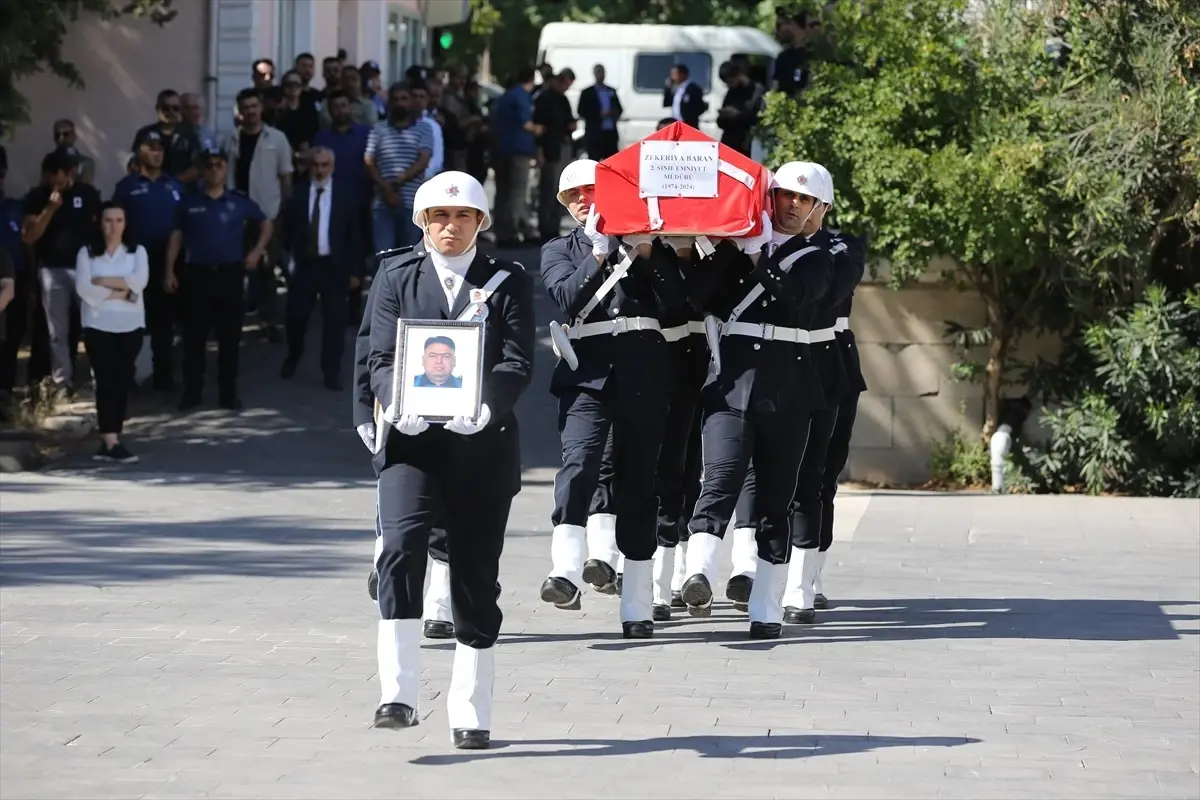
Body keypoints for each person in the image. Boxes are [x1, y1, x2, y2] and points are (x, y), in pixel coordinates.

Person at [363, 171, 534, 748]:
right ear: (423, 222)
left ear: (481, 223)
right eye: (439, 216)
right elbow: (380, 353)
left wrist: (486, 406)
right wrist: (392, 400)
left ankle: (470, 707)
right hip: (412, 444)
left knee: (475, 576)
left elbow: (516, 360)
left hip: (481, 446)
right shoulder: (395, 273)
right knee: (399, 550)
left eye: (462, 217)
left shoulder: (507, 279)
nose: (450, 226)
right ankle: (399, 693)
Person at [678, 162, 834, 640]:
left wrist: (757, 259)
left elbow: (799, 299)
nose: (790, 205)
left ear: (817, 209)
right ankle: (696, 573)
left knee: (775, 498)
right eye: (783, 195)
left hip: (788, 387)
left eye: (802, 200)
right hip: (732, 382)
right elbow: (694, 297)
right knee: (720, 478)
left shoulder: (820, 254)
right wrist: (711, 247)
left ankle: (766, 605)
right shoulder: (737, 246)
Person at [538, 159, 685, 639]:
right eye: (573, 196)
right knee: (578, 463)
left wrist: (647, 254)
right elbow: (565, 299)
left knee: (640, 484)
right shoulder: (560, 249)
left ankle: (638, 600)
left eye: (591, 190)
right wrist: (597, 255)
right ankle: (564, 570)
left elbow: (678, 302)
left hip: (644, 370)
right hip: (588, 372)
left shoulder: (647, 242)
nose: (583, 200)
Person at [165, 148, 271, 411]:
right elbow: (176, 237)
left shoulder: (238, 201)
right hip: (196, 276)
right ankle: (192, 392)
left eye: (219, 165)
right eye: (209, 165)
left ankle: (228, 393)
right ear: (202, 169)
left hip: (229, 276)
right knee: (194, 338)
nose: (214, 169)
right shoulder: (188, 202)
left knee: (229, 338)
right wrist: (168, 270)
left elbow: (266, 223)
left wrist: (257, 251)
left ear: (225, 169)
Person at [279, 146, 362, 390]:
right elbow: (288, 231)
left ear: (332, 167)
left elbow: (354, 236)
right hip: (305, 265)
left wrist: (356, 271)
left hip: (333, 267)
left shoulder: (345, 195)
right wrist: (288, 261)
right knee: (295, 317)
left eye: (324, 165)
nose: (319, 169)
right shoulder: (299, 194)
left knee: (335, 322)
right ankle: (294, 355)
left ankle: (331, 372)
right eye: (315, 165)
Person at [21, 150, 102, 395]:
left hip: (85, 268)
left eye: (61, 178)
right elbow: (30, 236)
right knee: (57, 332)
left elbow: (102, 228)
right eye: (51, 178)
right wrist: (50, 209)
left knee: (94, 328)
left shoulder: (87, 194)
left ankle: (100, 379)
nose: (56, 183)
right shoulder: (37, 197)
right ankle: (61, 383)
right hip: (52, 271)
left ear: (71, 174)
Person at [74, 202, 149, 463]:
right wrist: (123, 291)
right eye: (108, 220)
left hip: (130, 325)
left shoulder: (136, 251)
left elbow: (139, 282)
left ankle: (112, 434)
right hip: (98, 325)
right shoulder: (87, 253)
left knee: (123, 380)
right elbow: (84, 288)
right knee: (105, 381)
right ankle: (111, 439)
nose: (113, 226)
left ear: (126, 223)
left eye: (118, 220)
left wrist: (103, 282)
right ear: (100, 222)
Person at [112, 130, 185, 391]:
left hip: (167, 264)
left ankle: (163, 376)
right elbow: (113, 227)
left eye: (160, 148)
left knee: (164, 323)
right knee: (130, 324)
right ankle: (126, 377)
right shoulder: (126, 187)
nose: (156, 153)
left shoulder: (174, 186)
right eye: (150, 147)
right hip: (133, 263)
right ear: (139, 151)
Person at [576, 65, 622, 160]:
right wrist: (598, 114)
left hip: (610, 133)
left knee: (611, 161)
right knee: (594, 160)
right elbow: (581, 111)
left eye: (602, 72)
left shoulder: (611, 91)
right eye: (598, 72)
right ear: (594, 74)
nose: (600, 74)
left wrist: (612, 113)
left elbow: (619, 109)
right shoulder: (587, 92)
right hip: (594, 134)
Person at [662, 64, 708, 129]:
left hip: (688, 125)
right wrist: (668, 88)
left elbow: (700, 107)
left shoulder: (693, 88)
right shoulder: (676, 89)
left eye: (675, 74)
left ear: (683, 74)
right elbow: (666, 103)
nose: (672, 77)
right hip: (675, 123)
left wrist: (688, 118)